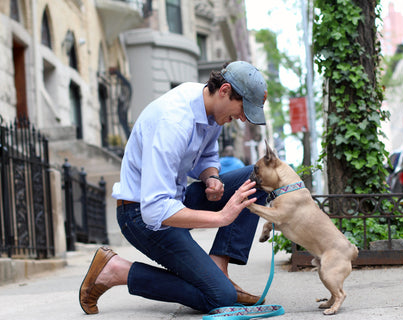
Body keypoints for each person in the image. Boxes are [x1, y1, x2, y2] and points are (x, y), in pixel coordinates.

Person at [79, 61, 269, 315]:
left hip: (175, 200)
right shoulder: (174, 122)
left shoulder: (210, 109)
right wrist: (221, 218)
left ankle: (218, 266)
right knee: (220, 297)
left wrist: (212, 176)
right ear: (224, 90)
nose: (243, 118)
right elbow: (155, 209)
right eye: (243, 109)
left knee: (260, 176)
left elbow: (206, 156)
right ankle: (116, 270)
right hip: (141, 216)